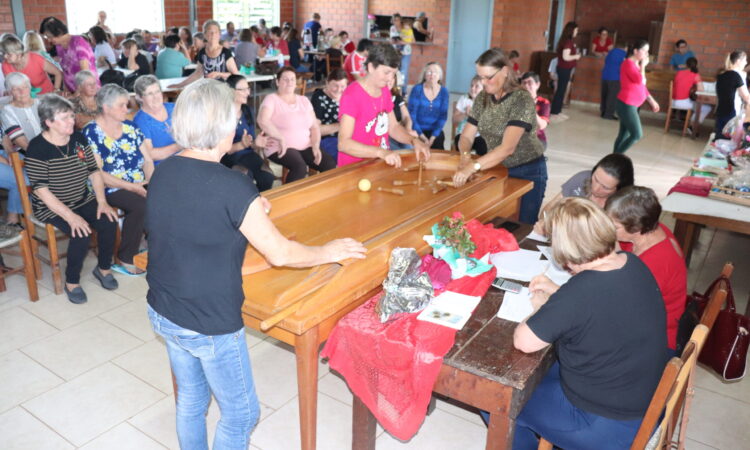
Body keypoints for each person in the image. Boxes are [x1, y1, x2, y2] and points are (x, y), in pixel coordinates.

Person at [145, 78, 366, 449]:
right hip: (208, 321)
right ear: (223, 126)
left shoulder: (164, 169)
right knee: (241, 414)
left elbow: (190, 218)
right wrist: (329, 251)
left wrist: (245, 211)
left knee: (192, 401)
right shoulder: (233, 186)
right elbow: (280, 253)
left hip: (164, 309)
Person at [513, 197, 668, 449]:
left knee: (500, 399)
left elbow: (524, 341)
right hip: (641, 400)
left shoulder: (580, 291)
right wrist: (557, 294)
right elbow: (599, 306)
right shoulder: (633, 263)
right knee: (535, 376)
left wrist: (541, 308)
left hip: (603, 425)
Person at [25, 95, 119, 304]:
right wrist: (71, 217)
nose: (72, 121)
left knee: (109, 220)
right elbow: (42, 191)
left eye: (71, 116)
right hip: (51, 207)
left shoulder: (78, 139)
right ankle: (72, 282)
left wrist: (102, 201)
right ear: (49, 122)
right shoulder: (37, 148)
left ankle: (103, 269)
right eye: (65, 118)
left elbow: (94, 172)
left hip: (81, 198)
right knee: (81, 231)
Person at [452, 48, 547, 225]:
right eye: (480, 77)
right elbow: (466, 136)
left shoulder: (521, 99)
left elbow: (507, 148)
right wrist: (465, 155)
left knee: (522, 226)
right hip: (496, 167)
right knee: (495, 222)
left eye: (488, 77)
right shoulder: (483, 98)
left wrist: (473, 166)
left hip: (528, 170)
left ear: (504, 71)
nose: (484, 82)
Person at [605, 186, 687, 354]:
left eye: (614, 227)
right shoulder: (650, 231)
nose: (608, 229)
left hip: (656, 342)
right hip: (643, 324)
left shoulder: (655, 262)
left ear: (636, 228)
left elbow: (620, 312)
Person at [83, 84, 153, 275]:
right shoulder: (91, 133)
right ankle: (126, 257)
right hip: (108, 186)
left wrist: (151, 181)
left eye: (127, 105)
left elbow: (147, 160)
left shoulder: (131, 127)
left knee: (164, 195)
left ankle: (159, 247)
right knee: (141, 205)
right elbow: (97, 173)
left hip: (137, 181)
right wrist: (133, 187)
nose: (127, 109)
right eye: (122, 105)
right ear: (106, 108)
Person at [337, 44, 430, 168]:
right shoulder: (352, 95)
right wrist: (381, 152)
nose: (390, 78)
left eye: (394, 73)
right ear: (370, 67)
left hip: (379, 163)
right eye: (387, 72)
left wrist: (414, 141)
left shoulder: (384, 90)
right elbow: (343, 144)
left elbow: (393, 127)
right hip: (355, 167)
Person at [257, 67, 336, 183]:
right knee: (300, 167)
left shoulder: (304, 100)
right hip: (280, 146)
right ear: (278, 82)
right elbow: (262, 120)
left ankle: (319, 195)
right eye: (285, 79)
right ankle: (288, 199)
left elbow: (314, 127)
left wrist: (315, 146)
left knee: (329, 164)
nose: (289, 82)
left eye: (292, 79)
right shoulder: (272, 99)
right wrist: (280, 138)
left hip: (305, 145)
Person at [533, 153, 634, 235]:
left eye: (605, 187)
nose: (596, 188)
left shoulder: (623, 206)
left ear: (620, 189)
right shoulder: (582, 178)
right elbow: (550, 208)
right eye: (595, 179)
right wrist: (544, 223)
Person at [225, 74, 274, 191]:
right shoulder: (222, 114)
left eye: (248, 88)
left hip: (246, 154)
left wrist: (256, 143)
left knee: (267, 175)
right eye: (243, 89)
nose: (248, 93)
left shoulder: (247, 110)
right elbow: (222, 149)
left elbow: (250, 142)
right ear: (230, 91)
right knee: (245, 176)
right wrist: (241, 145)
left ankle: (258, 202)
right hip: (227, 156)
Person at [613, 40, 660, 154]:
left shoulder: (635, 65)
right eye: (644, 51)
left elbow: (642, 87)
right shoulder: (628, 63)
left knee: (624, 135)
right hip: (626, 104)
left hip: (632, 104)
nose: (646, 54)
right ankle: (616, 158)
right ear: (635, 51)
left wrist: (651, 100)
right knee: (637, 134)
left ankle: (613, 159)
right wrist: (643, 66)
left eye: (647, 52)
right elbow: (640, 80)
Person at [169, 21, 239, 90]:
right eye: (210, 32)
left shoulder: (225, 52)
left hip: (223, 91)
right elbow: (198, 73)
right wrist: (180, 85)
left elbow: (236, 75)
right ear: (205, 35)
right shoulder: (202, 52)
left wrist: (219, 74)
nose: (213, 34)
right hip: (207, 90)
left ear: (219, 34)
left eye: (216, 32)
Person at [40, 16, 100, 93]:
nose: (49, 40)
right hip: (72, 89)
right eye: (47, 37)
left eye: (50, 37)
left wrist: (77, 94)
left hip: (87, 90)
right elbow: (66, 70)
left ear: (58, 31)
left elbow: (85, 72)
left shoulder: (78, 42)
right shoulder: (59, 46)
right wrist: (66, 89)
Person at [133, 75, 182, 164]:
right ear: (139, 97)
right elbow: (150, 154)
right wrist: (180, 146)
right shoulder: (140, 122)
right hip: (164, 167)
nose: (155, 97)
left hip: (186, 159)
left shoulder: (173, 108)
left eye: (157, 92)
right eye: (150, 94)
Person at [408, 62, 449, 150]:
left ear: (440, 76)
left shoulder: (444, 92)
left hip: (434, 131)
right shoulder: (417, 90)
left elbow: (443, 117)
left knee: (439, 140)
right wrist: (422, 137)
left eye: (435, 72)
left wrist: (433, 137)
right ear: (424, 75)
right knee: (416, 143)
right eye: (429, 72)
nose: (432, 75)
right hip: (418, 130)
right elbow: (412, 116)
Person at [311, 68, 348, 160]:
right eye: (335, 85)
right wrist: (342, 125)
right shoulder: (319, 97)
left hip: (349, 137)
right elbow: (316, 129)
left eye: (342, 86)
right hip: (329, 139)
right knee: (347, 156)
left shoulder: (349, 96)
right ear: (327, 83)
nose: (339, 90)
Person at [1, 72, 42, 152]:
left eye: (25, 87)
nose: (22, 92)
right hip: (28, 152)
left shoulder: (41, 103)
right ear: (9, 92)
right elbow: (21, 142)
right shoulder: (7, 112)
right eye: (16, 89)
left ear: (30, 88)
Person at [715, 51, 750, 140]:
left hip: (720, 111)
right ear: (738, 61)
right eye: (745, 60)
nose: (746, 63)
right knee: (729, 140)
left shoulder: (721, 75)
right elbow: (746, 96)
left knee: (719, 138)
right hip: (732, 112)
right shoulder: (736, 75)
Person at [550, 22, 581, 118]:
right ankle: (555, 111)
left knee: (562, 90)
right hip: (564, 69)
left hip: (565, 69)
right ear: (571, 30)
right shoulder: (568, 42)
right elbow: (565, 57)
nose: (577, 32)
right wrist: (576, 56)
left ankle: (558, 110)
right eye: (576, 30)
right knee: (560, 90)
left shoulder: (568, 41)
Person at [672, 57, 712, 131]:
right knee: (706, 108)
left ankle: (691, 126)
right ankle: (692, 126)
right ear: (696, 65)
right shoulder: (695, 75)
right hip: (683, 102)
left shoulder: (679, 73)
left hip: (673, 101)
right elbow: (701, 89)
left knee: (698, 106)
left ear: (686, 64)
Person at [453, 76, 487, 155]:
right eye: (471, 85)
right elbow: (454, 119)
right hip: (463, 133)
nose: (472, 88)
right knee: (461, 146)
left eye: (476, 86)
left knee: (484, 147)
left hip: (479, 135)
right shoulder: (464, 99)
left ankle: (478, 166)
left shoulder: (486, 102)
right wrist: (465, 114)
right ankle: (463, 164)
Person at [0, 127, 24, 229]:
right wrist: (4, 160)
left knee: (35, 169)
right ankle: (12, 221)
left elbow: (4, 139)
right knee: (20, 179)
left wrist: (10, 154)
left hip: (2, 152)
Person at [520, 72, 550, 149]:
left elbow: (542, 126)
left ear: (537, 85)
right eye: (524, 83)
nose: (526, 85)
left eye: (530, 82)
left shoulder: (543, 103)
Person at [388, 71, 416, 150]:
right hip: (386, 134)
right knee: (401, 151)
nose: (389, 81)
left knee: (409, 146)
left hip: (398, 130)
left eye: (392, 78)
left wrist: (408, 129)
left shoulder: (397, 97)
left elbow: (407, 117)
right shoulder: (379, 97)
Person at [600, 42, 626, 120]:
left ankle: (603, 112)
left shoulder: (610, 52)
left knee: (604, 95)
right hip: (615, 77)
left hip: (604, 76)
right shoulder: (624, 54)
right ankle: (608, 114)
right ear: (625, 47)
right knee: (612, 97)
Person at [390, 14, 412, 91]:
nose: (395, 22)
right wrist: (392, 41)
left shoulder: (406, 27)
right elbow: (392, 39)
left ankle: (404, 91)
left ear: (400, 20)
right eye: (394, 20)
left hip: (406, 52)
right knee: (395, 71)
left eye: (397, 20)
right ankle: (395, 90)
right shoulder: (392, 28)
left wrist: (402, 41)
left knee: (404, 72)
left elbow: (412, 40)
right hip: (395, 52)